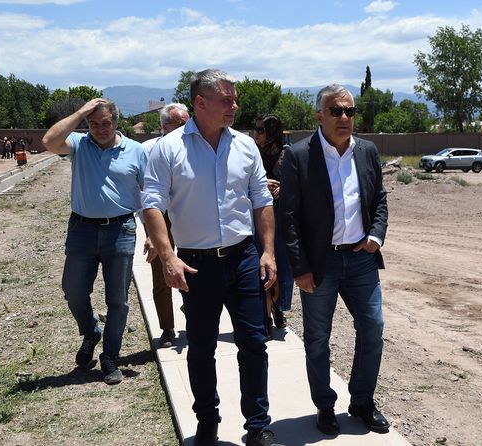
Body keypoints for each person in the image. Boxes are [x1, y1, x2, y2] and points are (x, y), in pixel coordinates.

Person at [143, 69, 284, 446]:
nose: (234, 106)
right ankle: (207, 420)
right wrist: (167, 256)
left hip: (243, 258)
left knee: (253, 343)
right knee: (202, 348)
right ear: (200, 103)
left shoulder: (245, 146)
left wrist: (268, 252)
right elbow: (152, 204)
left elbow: (262, 200)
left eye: (235, 99)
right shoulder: (168, 148)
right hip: (196, 264)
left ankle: (258, 425)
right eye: (226, 100)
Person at [279, 84, 390, 436]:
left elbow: (380, 199)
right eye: (336, 110)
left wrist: (375, 237)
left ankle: (362, 401)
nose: (344, 117)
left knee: (372, 328)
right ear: (319, 115)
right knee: (317, 339)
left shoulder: (367, 151)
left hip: (360, 260)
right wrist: (300, 268)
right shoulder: (299, 155)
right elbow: (289, 217)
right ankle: (324, 405)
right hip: (319, 263)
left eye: (349, 111)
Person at [41, 98, 148, 385]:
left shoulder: (136, 151)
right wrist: (80, 112)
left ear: (116, 123)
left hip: (121, 230)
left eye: (106, 123)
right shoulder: (79, 144)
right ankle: (91, 331)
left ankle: (110, 357)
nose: (100, 129)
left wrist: (153, 235)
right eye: (94, 123)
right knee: (73, 291)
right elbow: (49, 141)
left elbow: (149, 194)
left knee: (118, 300)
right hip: (82, 229)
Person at [141, 103, 190, 348]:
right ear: (164, 127)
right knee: (161, 273)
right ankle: (167, 328)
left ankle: (193, 311)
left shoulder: (194, 147)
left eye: (187, 122)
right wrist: (151, 232)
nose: (186, 127)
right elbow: (144, 194)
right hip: (161, 218)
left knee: (192, 268)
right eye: (180, 124)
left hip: (188, 215)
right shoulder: (149, 150)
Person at [252, 115, 293, 330]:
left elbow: (300, 183)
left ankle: (277, 306)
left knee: (282, 268)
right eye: (255, 129)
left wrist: (284, 188)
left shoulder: (288, 154)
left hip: (282, 219)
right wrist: (261, 184)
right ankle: (265, 317)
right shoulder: (251, 154)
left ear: (272, 132)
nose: (256, 134)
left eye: (261, 130)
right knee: (261, 267)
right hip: (258, 219)